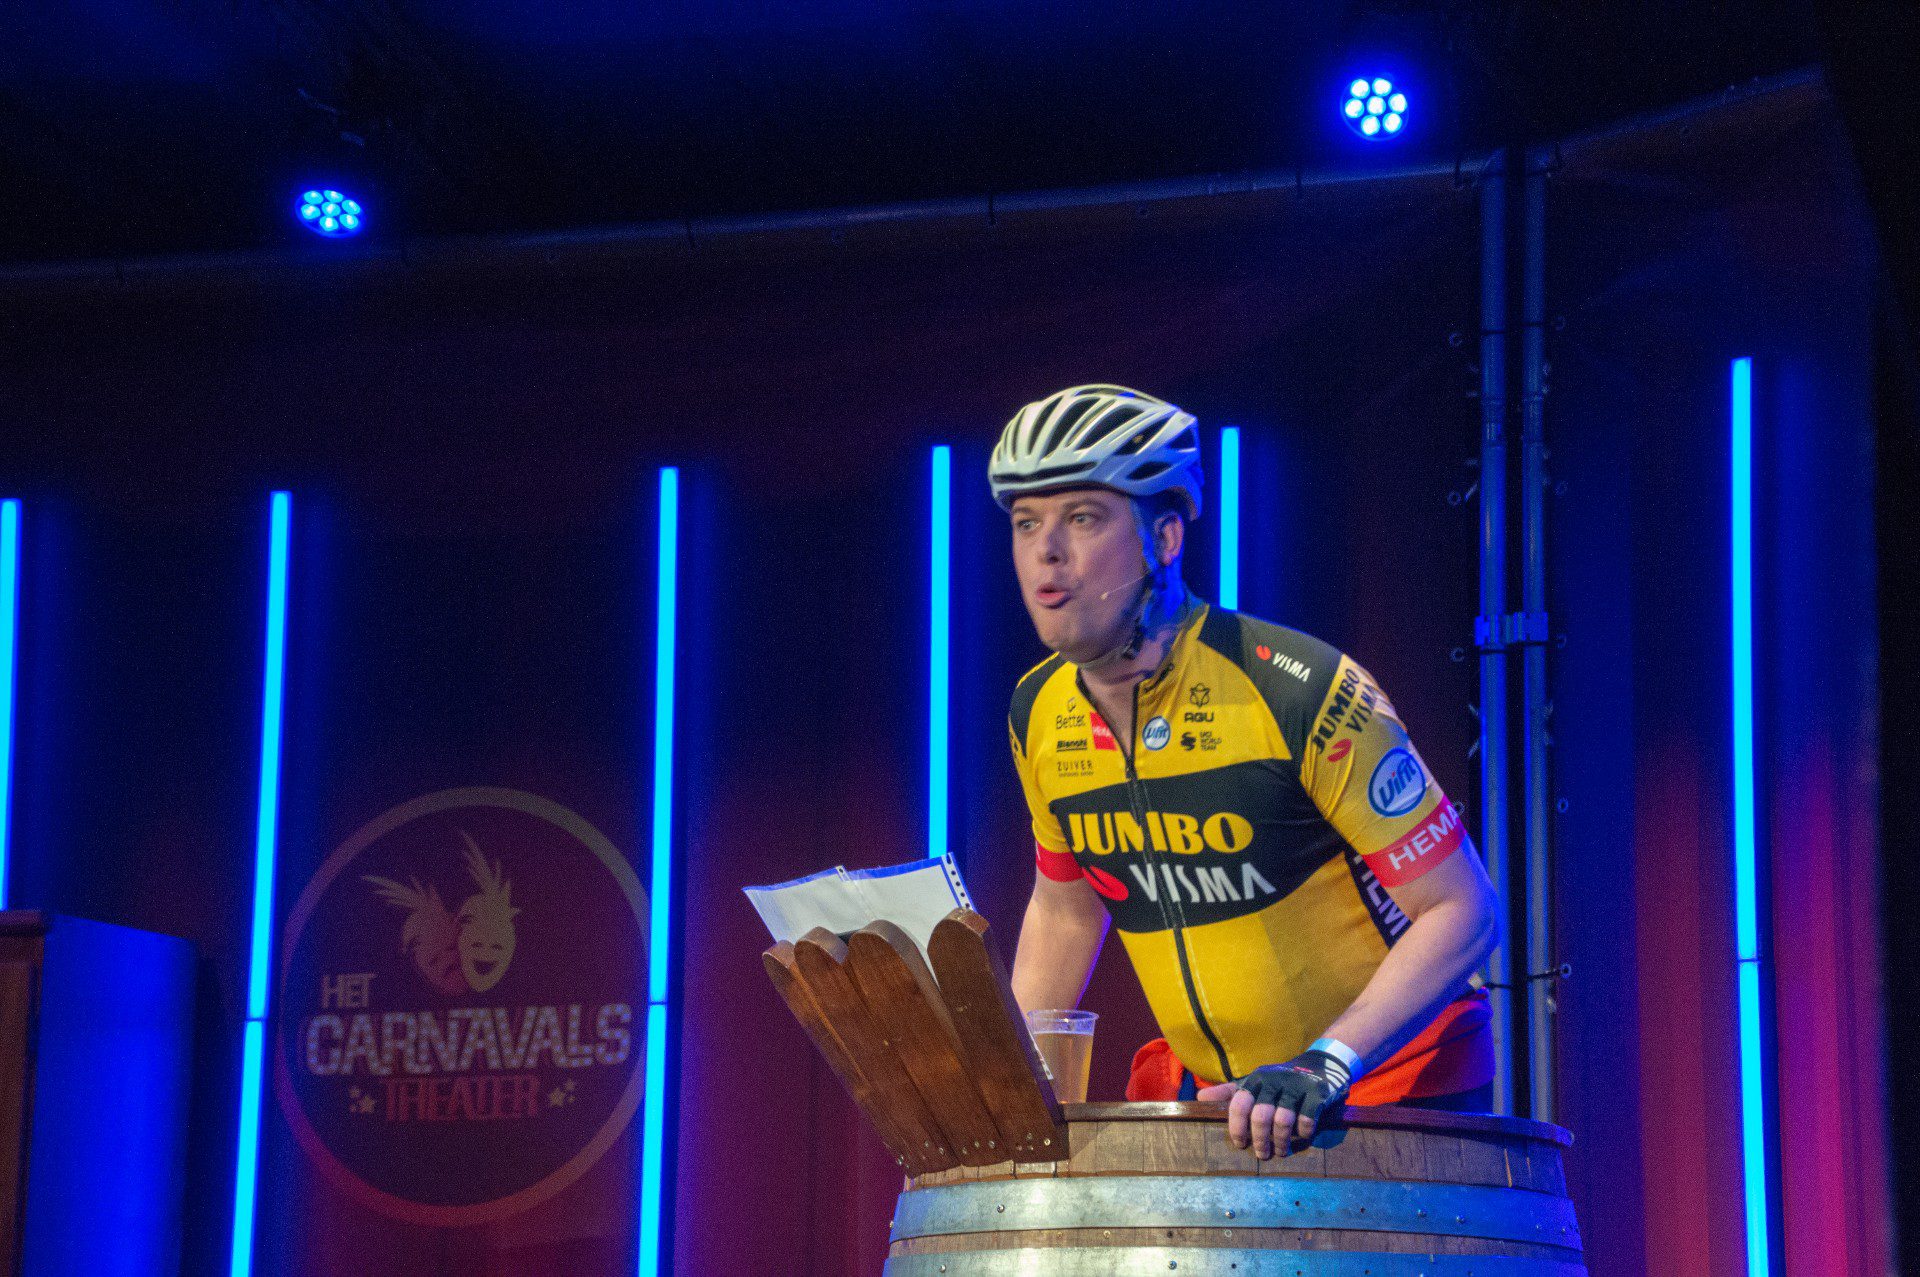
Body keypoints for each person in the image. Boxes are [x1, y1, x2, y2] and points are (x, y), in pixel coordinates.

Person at [997, 384, 1502, 1160]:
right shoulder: (1037, 709)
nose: (1047, 550)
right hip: (1222, 1104)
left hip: (1390, 1088)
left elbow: (1464, 909)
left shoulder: (1295, 689)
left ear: (1165, 538)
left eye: (1084, 517)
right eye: (1027, 522)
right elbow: (1065, 910)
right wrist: (1000, 1088)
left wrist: (1326, 1061)